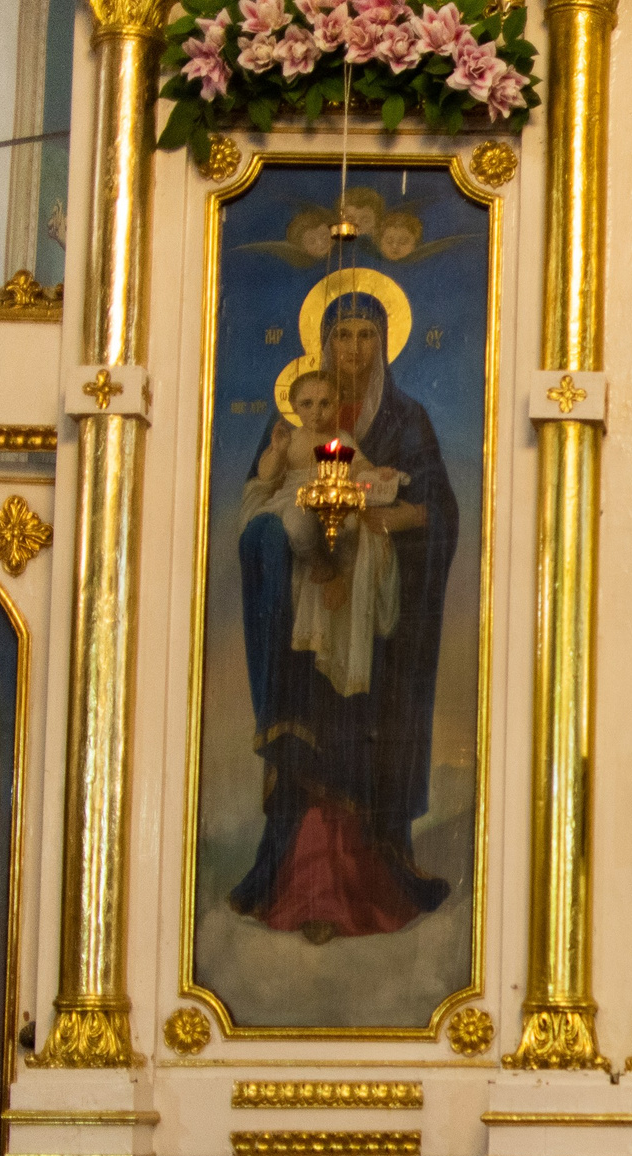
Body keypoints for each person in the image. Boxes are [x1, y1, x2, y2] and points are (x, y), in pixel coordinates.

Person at [232, 283, 458, 943]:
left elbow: (437, 511)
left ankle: (366, 881)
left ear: (384, 343)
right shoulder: (296, 431)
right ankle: (296, 881)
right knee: (307, 740)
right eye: (341, 336)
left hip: (375, 630)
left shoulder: (405, 421)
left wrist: (384, 520)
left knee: (363, 737)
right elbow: (261, 510)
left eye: (365, 335)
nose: (353, 348)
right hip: (302, 626)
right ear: (322, 346)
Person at [241, 369, 406, 704]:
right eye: (307, 403)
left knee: (350, 529)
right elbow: (267, 475)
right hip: (297, 501)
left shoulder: (342, 439)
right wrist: (276, 450)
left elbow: (360, 468)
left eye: (325, 403)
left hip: (334, 499)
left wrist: (378, 473)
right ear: (294, 407)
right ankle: (321, 567)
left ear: (337, 405)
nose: (316, 411)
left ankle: (340, 577)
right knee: (297, 525)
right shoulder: (293, 439)